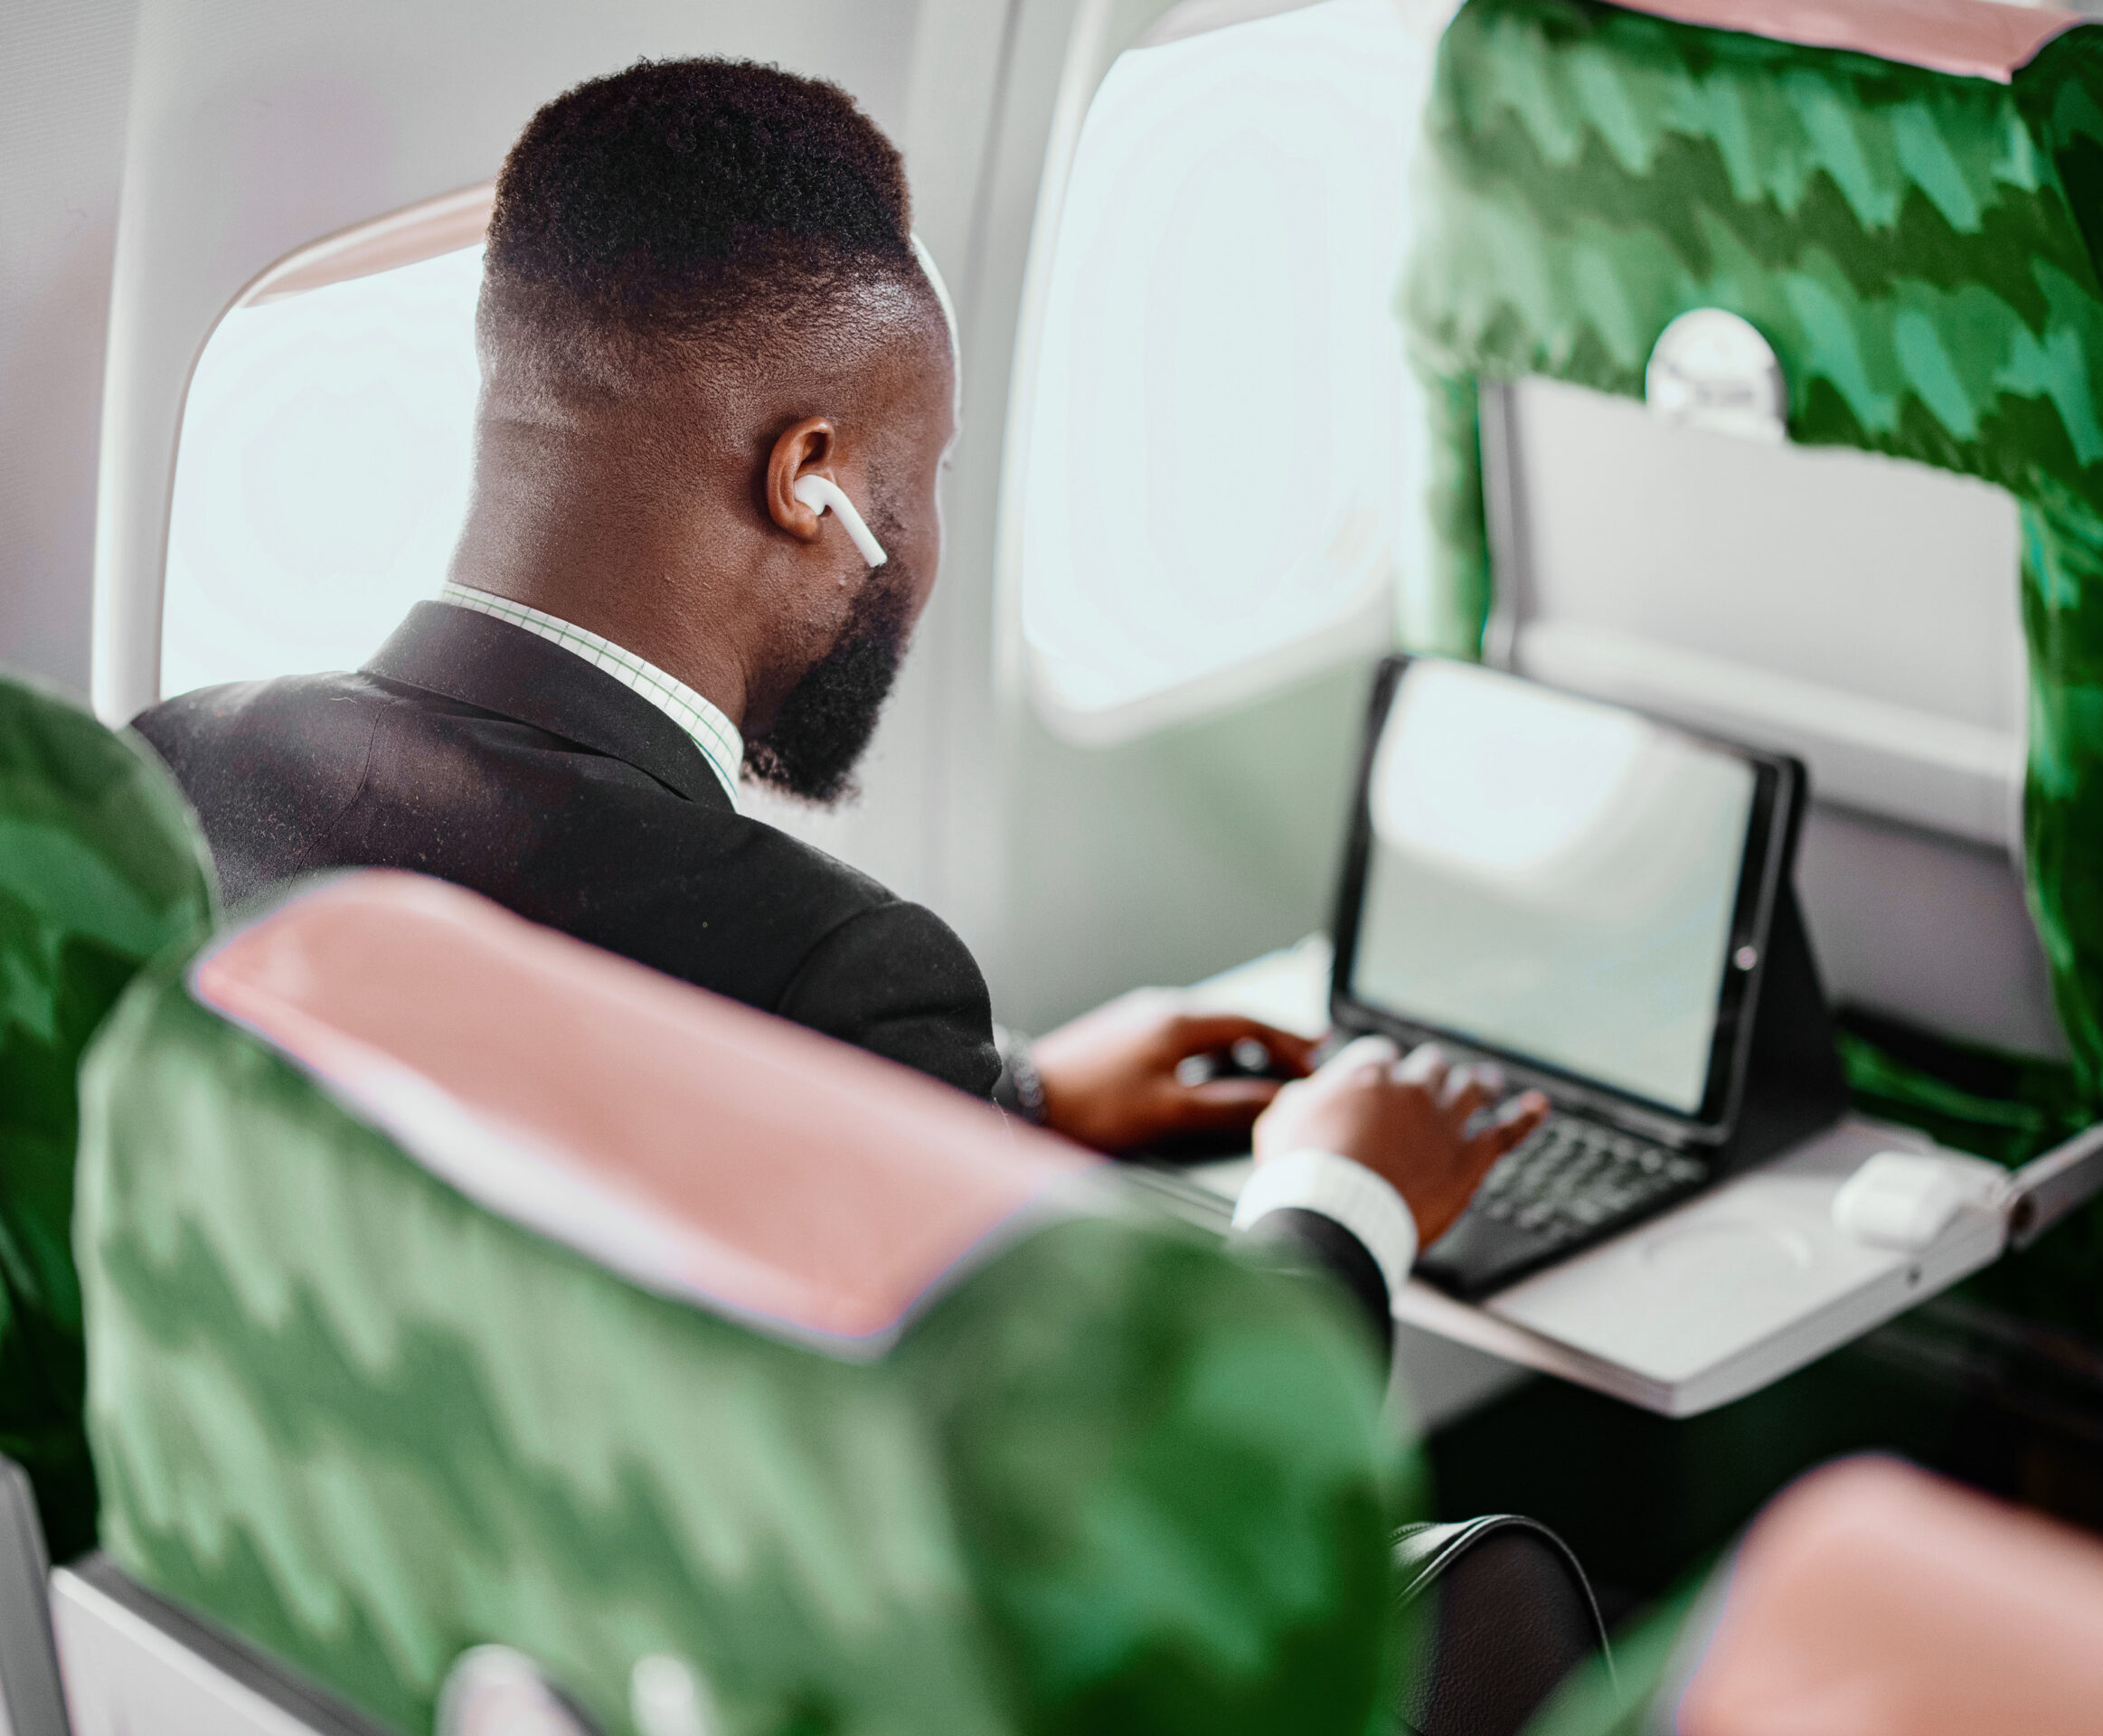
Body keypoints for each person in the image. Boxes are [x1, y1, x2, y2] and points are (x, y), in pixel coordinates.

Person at [134, 59, 1544, 1349]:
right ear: (807, 481)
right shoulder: (823, 968)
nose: (928, 551)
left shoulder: (175, 770)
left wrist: (1012, 1100)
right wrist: (1343, 1188)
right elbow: (1152, 1497)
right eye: (926, 473)